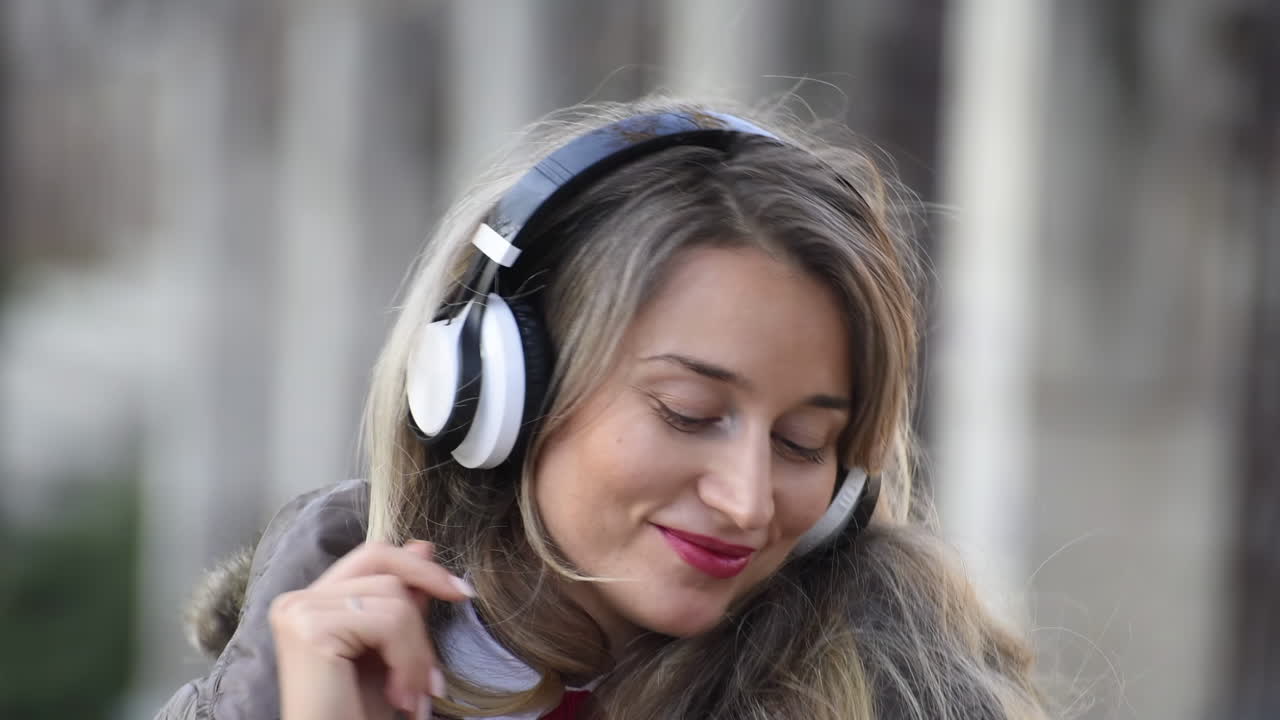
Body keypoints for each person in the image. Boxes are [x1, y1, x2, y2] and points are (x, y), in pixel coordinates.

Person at [155, 97, 1050, 720]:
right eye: (689, 412)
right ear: (496, 389)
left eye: (803, 442)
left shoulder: (905, 693)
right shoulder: (290, 684)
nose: (748, 501)